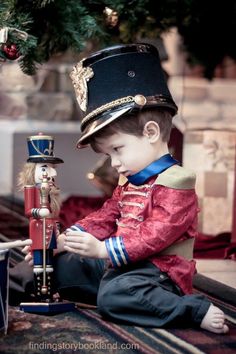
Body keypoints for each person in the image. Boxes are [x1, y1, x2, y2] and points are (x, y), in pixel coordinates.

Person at [24, 43, 228, 333]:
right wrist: (72, 238)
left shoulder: (176, 182)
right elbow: (107, 215)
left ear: (151, 133)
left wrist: (103, 249)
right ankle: (14, 279)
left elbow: (153, 236)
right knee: (57, 265)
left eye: (118, 149)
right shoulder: (130, 179)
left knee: (116, 296)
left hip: (158, 271)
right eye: (110, 155)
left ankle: (191, 309)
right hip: (119, 263)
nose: (115, 163)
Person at [18, 133, 63, 301]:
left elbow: (53, 214)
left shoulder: (51, 191)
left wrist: (57, 228)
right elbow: (29, 211)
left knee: (50, 264)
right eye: (45, 168)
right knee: (38, 265)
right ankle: (39, 293)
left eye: (53, 168)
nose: (52, 173)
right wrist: (39, 212)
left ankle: (50, 291)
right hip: (37, 232)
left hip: (49, 232)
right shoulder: (31, 190)